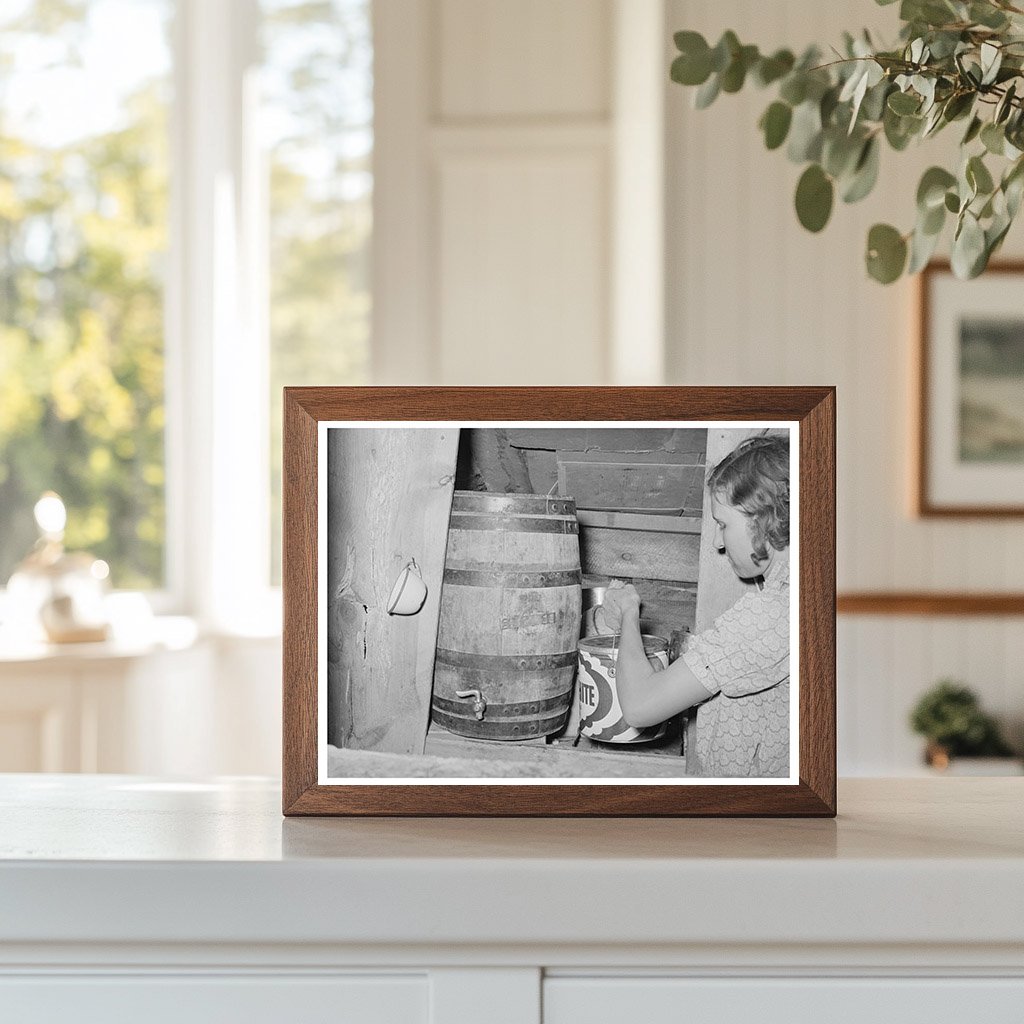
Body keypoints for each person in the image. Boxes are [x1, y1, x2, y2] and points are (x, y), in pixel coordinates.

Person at [595, 434, 791, 778]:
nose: (717, 542)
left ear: (761, 519)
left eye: (723, 524)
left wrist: (628, 613)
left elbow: (640, 707)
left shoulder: (774, 612)